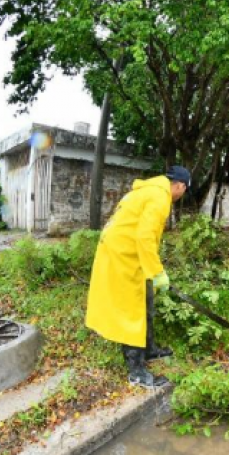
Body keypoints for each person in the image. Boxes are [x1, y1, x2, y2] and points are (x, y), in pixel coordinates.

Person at [85, 166, 191, 387]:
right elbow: (145, 237)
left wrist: (152, 271)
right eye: (184, 190)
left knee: (146, 301)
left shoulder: (146, 191)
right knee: (132, 311)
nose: (182, 195)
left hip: (125, 253)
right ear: (180, 185)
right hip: (123, 256)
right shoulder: (160, 197)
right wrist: (157, 272)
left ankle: (149, 350)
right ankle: (136, 373)